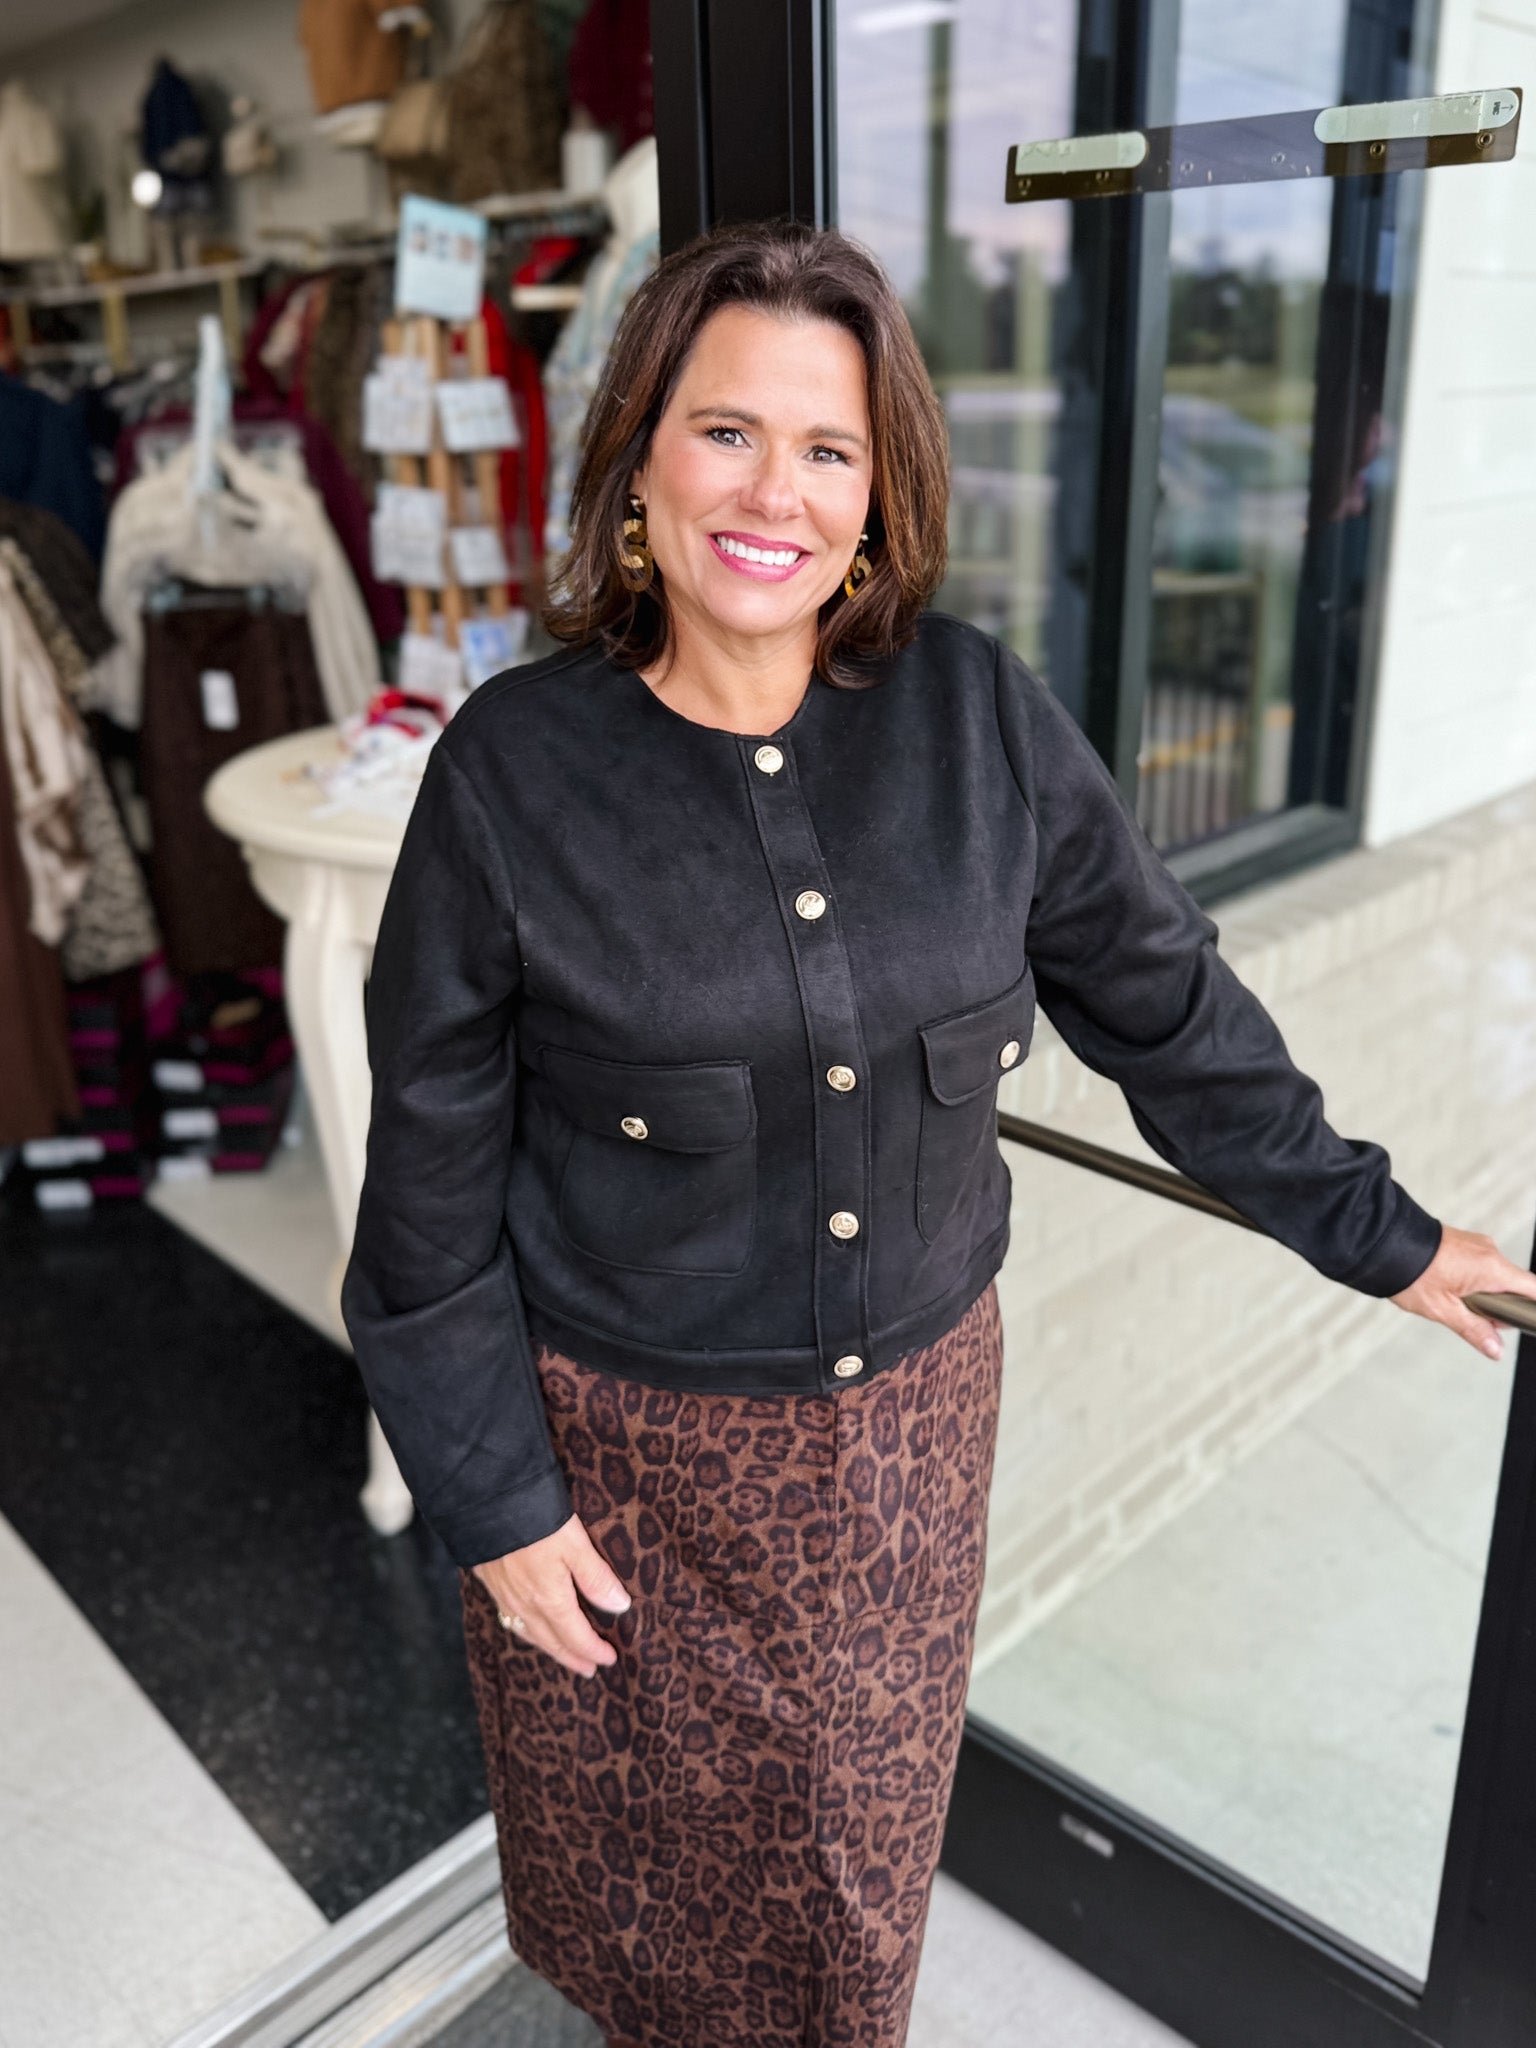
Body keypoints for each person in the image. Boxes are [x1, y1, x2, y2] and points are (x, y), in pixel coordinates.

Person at [341, 220, 1536, 2048]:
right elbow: (424, 1196)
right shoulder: (509, 775)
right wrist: (496, 1503)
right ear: (640, 463)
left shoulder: (978, 715)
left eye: (829, 450)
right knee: (659, 1909)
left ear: (880, 497)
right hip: (635, 1470)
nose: (777, 492)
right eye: (727, 431)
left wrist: (1377, 1230)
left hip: (911, 1445)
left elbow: (1165, 1007)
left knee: (857, 1893)